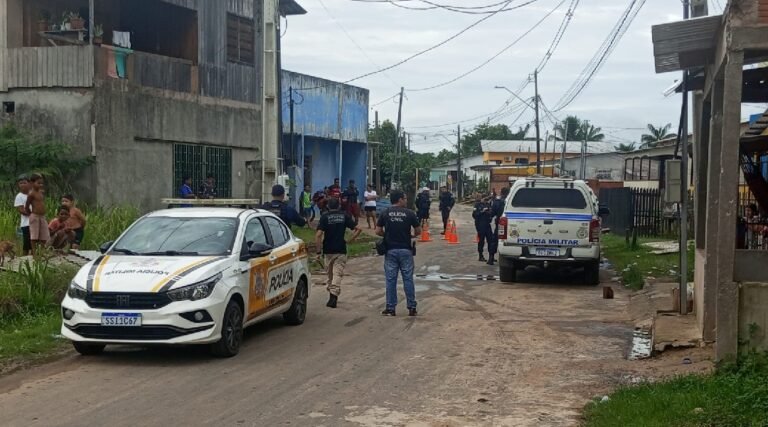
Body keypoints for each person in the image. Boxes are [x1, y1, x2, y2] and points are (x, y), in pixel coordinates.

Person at [376, 190, 421, 317]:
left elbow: (378, 231)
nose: (406, 201)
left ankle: (390, 308)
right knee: (408, 279)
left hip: (390, 251)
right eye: (405, 198)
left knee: (391, 280)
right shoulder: (409, 213)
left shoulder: (385, 213)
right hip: (406, 250)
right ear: (400, 199)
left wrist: (387, 235)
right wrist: (411, 235)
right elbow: (418, 230)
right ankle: (411, 307)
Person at [315, 197, 362, 308]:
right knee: (337, 273)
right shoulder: (344, 216)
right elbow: (358, 228)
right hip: (341, 249)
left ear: (328, 206)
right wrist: (349, 240)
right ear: (339, 206)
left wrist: (318, 252)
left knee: (330, 274)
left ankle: (333, 295)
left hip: (328, 250)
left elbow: (318, 235)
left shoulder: (324, 217)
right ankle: (333, 294)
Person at [24, 174, 49, 250]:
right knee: (34, 236)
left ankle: (41, 252)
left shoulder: (41, 192)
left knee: (44, 236)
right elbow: (27, 206)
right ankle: (34, 253)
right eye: (38, 183)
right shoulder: (31, 193)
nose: (40, 185)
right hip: (35, 215)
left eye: (41, 183)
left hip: (42, 216)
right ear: (32, 183)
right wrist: (30, 214)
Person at [488, 187, 510, 266]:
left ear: (501, 193)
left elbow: (492, 213)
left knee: (495, 240)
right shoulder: (510, 201)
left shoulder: (498, 201)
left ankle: (491, 258)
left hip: (500, 224)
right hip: (511, 224)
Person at [472, 193, 493, 262]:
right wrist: (482, 211)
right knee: (481, 241)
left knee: (490, 240)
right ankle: (480, 256)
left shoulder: (488, 205)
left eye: (487, 199)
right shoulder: (477, 205)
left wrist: (489, 213)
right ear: (482, 199)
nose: (486, 201)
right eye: (485, 199)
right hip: (480, 225)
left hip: (487, 224)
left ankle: (491, 256)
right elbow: (474, 215)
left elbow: (491, 213)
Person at [13, 176, 32, 256]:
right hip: (26, 224)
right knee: (26, 244)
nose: (23, 185)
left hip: (35, 222)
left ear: (29, 183)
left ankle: (34, 259)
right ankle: (24, 259)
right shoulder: (19, 196)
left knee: (34, 242)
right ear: (18, 185)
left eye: (24, 182)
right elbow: (21, 210)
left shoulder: (32, 194)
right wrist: (33, 214)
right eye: (21, 183)